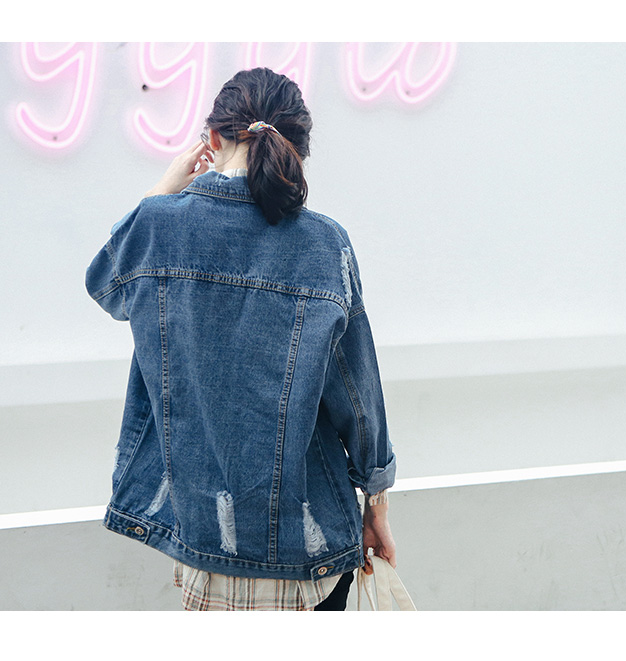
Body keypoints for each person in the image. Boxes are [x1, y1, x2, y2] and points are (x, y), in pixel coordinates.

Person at [85, 67, 397, 611]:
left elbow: (104, 285)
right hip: (311, 548)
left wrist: (162, 190)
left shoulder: (158, 226)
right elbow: (358, 400)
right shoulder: (326, 245)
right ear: (296, 152)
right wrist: (376, 505)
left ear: (212, 138)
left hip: (203, 537)